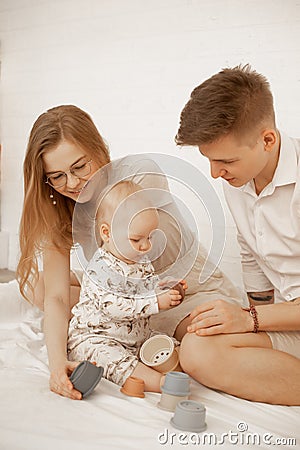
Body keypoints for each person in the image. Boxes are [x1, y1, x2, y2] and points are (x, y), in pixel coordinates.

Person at [17, 104, 243, 400]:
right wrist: (57, 364)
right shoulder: (56, 204)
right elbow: (58, 296)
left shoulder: (138, 176)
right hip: (122, 284)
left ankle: (135, 337)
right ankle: (106, 332)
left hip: (170, 288)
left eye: (79, 167)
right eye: (57, 176)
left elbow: (137, 267)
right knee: (39, 285)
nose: (71, 184)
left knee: (197, 340)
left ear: (98, 149)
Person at [175, 64, 300, 405]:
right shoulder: (241, 179)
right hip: (292, 318)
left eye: (225, 161)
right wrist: (250, 319)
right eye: (210, 161)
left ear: (268, 140)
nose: (215, 173)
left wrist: (250, 320)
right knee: (197, 345)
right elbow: (253, 256)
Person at [68, 180, 183, 392]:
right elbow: (115, 306)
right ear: (107, 233)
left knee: (172, 344)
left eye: (149, 237)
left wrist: (162, 287)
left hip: (135, 336)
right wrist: (155, 302)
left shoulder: (140, 260)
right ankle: (160, 384)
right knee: (112, 359)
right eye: (136, 239)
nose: (146, 245)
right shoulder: (100, 268)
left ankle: (174, 368)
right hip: (96, 338)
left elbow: (145, 287)